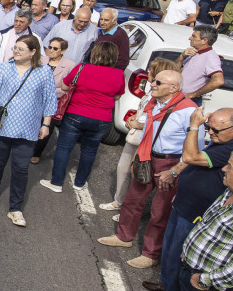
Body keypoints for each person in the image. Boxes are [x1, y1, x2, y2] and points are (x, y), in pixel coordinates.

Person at [98, 70, 203, 270]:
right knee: (133, 200)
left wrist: (175, 171)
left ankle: (151, 254)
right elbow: (149, 129)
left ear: (173, 88)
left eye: (157, 82)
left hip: (171, 163)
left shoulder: (188, 111)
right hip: (148, 156)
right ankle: (124, 236)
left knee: (160, 211)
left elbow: (195, 149)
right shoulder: (155, 104)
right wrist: (138, 155)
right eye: (153, 80)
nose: (152, 84)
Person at [141, 107, 233, 291]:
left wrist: (194, 126)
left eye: (216, 130)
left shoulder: (229, 149)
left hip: (195, 212)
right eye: (208, 127)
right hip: (184, 203)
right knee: (169, 250)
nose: (210, 132)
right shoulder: (221, 141)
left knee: (177, 253)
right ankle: (166, 284)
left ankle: (171, 287)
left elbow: (191, 156)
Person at [0, 35, 58, 227]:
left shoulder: (44, 72)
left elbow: (49, 99)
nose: (15, 51)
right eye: (15, 48)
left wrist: (46, 124)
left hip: (28, 129)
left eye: (21, 49)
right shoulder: (4, 68)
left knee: (21, 169)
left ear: (33, 52)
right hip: (2, 126)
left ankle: (15, 208)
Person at [39, 42, 125, 192]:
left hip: (76, 113)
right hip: (102, 118)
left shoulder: (82, 68)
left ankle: (57, 182)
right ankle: (79, 183)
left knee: (64, 148)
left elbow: (65, 86)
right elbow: (117, 96)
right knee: (90, 150)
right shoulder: (118, 74)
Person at [98, 58, 179, 211]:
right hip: (135, 135)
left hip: (145, 139)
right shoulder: (152, 91)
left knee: (138, 176)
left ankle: (129, 208)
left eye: (152, 71)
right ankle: (119, 202)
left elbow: (160, 122)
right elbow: (145, 111)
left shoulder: (164, 98)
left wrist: (139, 125)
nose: (149, 74)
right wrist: (134, 117)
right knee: (123, 168)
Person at [176, 152, 233, 291]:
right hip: (189, 269)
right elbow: (208, 224)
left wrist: (205, 280)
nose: (223, 168)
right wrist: (188, 251)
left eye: (230, 166)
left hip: (207, 284)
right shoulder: (228, 192)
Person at [176, 25, 225, 106]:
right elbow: (174, 70)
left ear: (204, 40)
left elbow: (218, 80)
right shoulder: (195, 53)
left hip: (188, 101)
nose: (190, 38)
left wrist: (192, 94)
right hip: (178, 98)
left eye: (194, 36)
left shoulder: (211, 57)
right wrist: (181, 56)